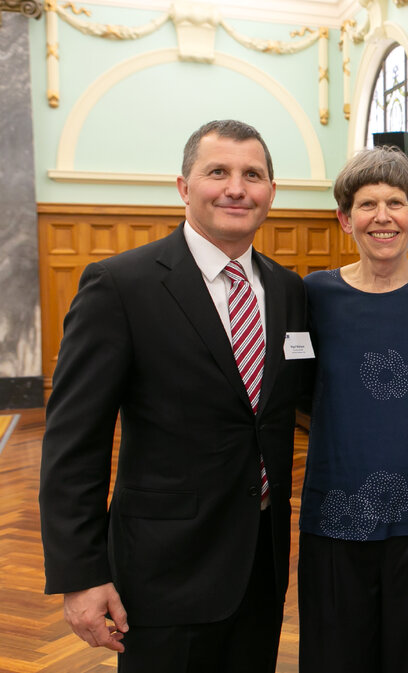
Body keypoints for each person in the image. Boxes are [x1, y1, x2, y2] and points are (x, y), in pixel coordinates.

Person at [38, 120, 309, 673]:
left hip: (261, 563)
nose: (237, 188)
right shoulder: (120, 286)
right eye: (218, 172)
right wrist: (81, 574)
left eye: (252, 175)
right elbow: (74, 442)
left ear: (271, 195)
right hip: (162, 572)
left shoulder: (287, 290)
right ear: (184, 188)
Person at [297, 146, 408, 673]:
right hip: (336, 510)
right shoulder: (314, 296)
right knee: (338, 656)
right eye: (367, 204)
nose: (383, 216)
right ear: (346, 220)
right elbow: (298, 391)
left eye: (396, 203)